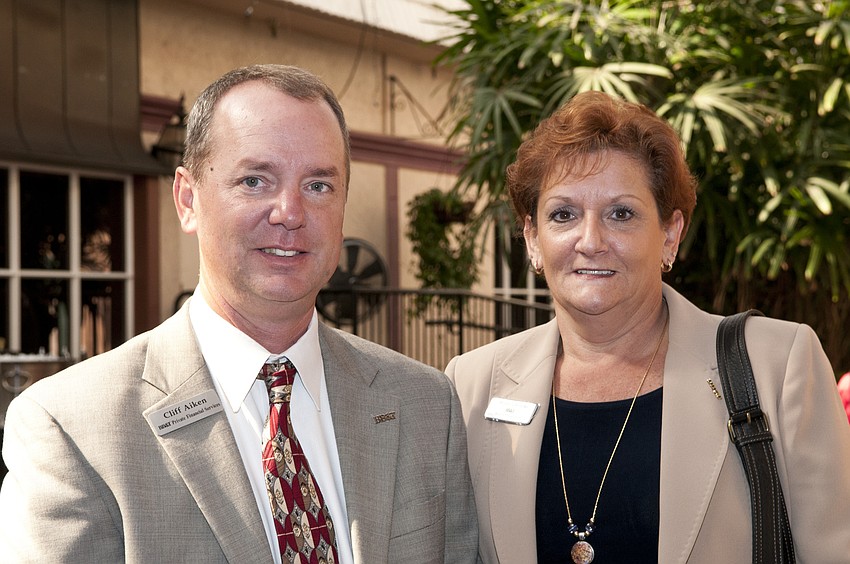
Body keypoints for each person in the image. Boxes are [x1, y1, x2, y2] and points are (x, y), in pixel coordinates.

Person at [0, 64, 478, 563]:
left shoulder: (426, 404)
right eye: (255, 180)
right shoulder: (72, 427)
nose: (290, 212)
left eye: (318, 185)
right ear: (187, 199)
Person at [445, 90, 850, 563]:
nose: (590, 240)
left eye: (621, 214)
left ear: (670, 234)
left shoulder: (777, 366)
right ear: (533, 238)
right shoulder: (471, 386)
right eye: (563, 214)